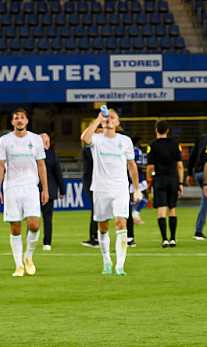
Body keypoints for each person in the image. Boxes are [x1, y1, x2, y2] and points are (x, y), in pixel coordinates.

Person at [81, 108, 141, 276]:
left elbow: (131, 165)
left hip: (120, 188)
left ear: (117, 123)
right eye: (107, 117)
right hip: (101, 188)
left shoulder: (125, 141)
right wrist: (98, 119)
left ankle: (120, 265)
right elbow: (84, 138)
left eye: (112, 117)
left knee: (121, 224)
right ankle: (107, 260)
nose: (109, 119)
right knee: (103, 228)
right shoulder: (97, 139)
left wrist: (136, 188)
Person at [0, 109, 48, 276]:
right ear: (12, 122)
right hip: (12, 188)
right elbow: (0, 166)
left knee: (35, 225)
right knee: (15, 228)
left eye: (22, 118)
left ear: (26, 121)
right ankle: (18, 265)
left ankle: (28, 257)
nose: (19, 120)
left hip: (31, 187)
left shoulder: (36, 139)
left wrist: (45, 189)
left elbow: (41, 165)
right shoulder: (5, 141)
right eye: (16, 118)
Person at [146, 120, 184, 248]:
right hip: (173, 179)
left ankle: (164, 239)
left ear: (156, 130)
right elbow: (179, 165)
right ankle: (173, 238)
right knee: (172, 209)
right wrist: (180, 182)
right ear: (168, 130)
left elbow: (150, 167)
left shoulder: (152, 145)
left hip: (160, 179)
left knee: (161, 211)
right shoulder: (175, 144)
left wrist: (148, 181)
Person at [39, 133, 65, 251]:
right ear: (47, 143)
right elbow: (58, 174)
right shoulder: (52, 155)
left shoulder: (32, 155)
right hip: (49, 190)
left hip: (34, 190)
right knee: (47, 218)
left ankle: (31, 240)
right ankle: (47, 243)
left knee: (31, 216)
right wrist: (62, 190)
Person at [80, 126, 102, 248]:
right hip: (91, 180)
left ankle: (96, 236)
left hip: (98, 180)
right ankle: (94, 237)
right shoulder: (89, 147)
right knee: (96, 207)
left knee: (98, 208)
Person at [186, 133, 207, 240]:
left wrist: (189, 173)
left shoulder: (201, 138)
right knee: (205, 201)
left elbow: (192, 155)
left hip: (198, 173)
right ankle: (198, 231)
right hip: (206, 173)